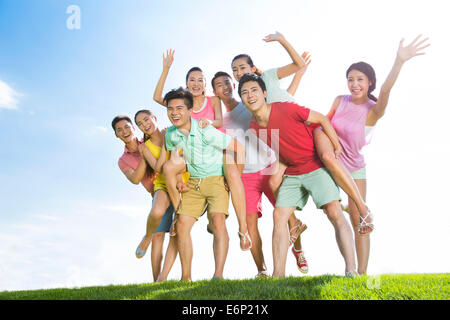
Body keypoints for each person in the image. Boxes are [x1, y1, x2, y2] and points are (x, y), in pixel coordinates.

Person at [231, 31, 371, 239]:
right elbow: (288, 96)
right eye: (234, 70)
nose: (238, 72)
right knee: (273, 182)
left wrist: (282, 40)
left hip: (310, 127)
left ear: (252, 68)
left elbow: (298, 65)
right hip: (289, 143)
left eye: (242, 67)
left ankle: (362, 208)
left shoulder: (267, 77)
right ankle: (295, 223)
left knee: (327, 158)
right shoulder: (251, 98)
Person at [320, 35, 430, 274]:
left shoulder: (374, 111)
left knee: (359, 220)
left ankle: (361, 273)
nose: (354, 84)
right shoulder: (340, 100)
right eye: (350, 79)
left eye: (360, 79)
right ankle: (349, 265)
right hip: (332, 163)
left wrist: (399, 62)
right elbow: (324, 125)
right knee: (332, 213)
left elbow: (387, 89)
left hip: (355, 167)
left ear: (369, 82)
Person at [238, 73, 357, 277]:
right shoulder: (254, 127)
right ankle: (278, 275)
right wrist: (280, 170)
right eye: (244, 93)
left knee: (335, 212)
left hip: (315, 166)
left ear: (265, 93)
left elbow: (320, 118)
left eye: (254, 90)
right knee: (279, 215)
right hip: (293, 173)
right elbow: (279, 148)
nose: (250, 96)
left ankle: (351, 271)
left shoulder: (284, 107)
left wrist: (336, 146)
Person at [211, 71, 308, 276]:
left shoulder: (250, 103)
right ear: (215, 92)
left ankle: (297, 249)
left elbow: (278, 105)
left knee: (287, 214)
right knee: (250, 223)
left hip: (269, 166)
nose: (225, 87)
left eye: (228, 82)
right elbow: (222, 151)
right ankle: (262, 269)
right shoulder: (221, 122)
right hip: (245, 175)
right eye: (219, 85)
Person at [153, 50, 251, 251]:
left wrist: (208, 122)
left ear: (205, 84)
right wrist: (166, 69)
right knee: (173, 168)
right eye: (192, 80)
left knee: (232, 176)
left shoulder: (213, 100)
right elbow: (157, 97)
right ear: (187, 83)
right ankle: (179, 215)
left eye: (200, 80)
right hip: (195, 152)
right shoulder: (183, 102)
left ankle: (243, 229)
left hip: (217, 144)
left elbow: (219, 121)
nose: (196, 83)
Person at [163, 87, 246, 281]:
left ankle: (218, 275)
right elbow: (175, 162)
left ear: (190, 111)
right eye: (170, 109)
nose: (174, 113)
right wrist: (178, 181)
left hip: (216, 180)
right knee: (182, 225)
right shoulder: (170, 135)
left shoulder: (205, 130)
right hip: (194, 183)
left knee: (218, 221)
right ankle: (186, 277)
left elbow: (238, 148)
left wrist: (233, 178)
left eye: (179, 108)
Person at [112, 115, 177, 282]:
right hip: (158, 192)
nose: (124, 131)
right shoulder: (123, 160)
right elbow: (134, 179)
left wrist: (147, 148)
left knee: (177, 233)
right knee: (157, 236)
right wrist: (144, 156)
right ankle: (157, 281)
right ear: (116, 135)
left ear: (134, 127)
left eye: (127, 127)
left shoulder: (149, 138)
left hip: (174, 183)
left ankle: (166, 276)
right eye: (119, 130)